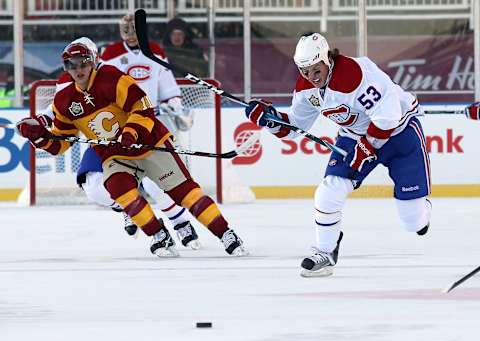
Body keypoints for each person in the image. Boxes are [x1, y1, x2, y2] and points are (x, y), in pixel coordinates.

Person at [16, 38, 248, 258]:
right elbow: (62, 143)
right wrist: (39, 138)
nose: (78, 69)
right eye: (71, 64)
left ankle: (225, 233)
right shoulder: (64, 99)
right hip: (115, 154)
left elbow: (143, 106)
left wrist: (131, 132)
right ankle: (159, 235)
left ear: (94, 61)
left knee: (185, 193)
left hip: (150, 143)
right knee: (118, 188)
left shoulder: (112, 78)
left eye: (83, 63)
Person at [245, 33, 431, 277]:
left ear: (326, 59)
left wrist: (368, 147)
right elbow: (296, 126)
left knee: (413, 222)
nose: (311, 77)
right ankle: (325, 250)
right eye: (304, 71)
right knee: (328, 191)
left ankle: (420, 212)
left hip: (400, 132)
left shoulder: (355, 74)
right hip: (355, 136)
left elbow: (387, 115)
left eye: (315, 69)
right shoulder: (305, 89)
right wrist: (270, 121)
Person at [76, 14, 198, 248]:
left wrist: (174, 106)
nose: (130, 32)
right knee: (94, 186)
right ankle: (128, 207)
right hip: (111, 131)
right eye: (126, 28)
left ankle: (181, 223)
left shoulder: (154, 51)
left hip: (145, 126)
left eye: (134, 28)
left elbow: (169, 89)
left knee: (156, 181)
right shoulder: (108, 55)